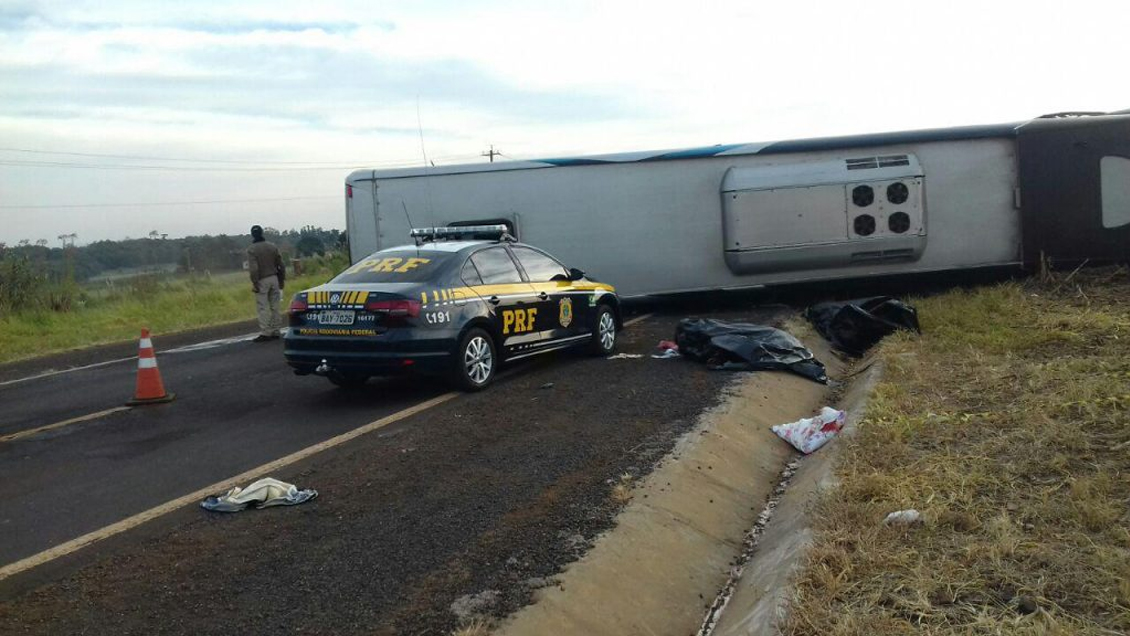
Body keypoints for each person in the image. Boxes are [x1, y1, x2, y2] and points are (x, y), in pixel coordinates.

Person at [247, 225, 286, 342]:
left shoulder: (252, 249)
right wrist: (281, 279)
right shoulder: (272, 247)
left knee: (263, 307)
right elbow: (281, 265)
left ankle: (265, 332)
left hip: (262, 279)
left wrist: (255, 282)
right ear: (262, 233)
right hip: (274, 278)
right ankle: (276, 330)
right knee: (275, 306)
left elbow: (254, 269)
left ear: (252, 235)